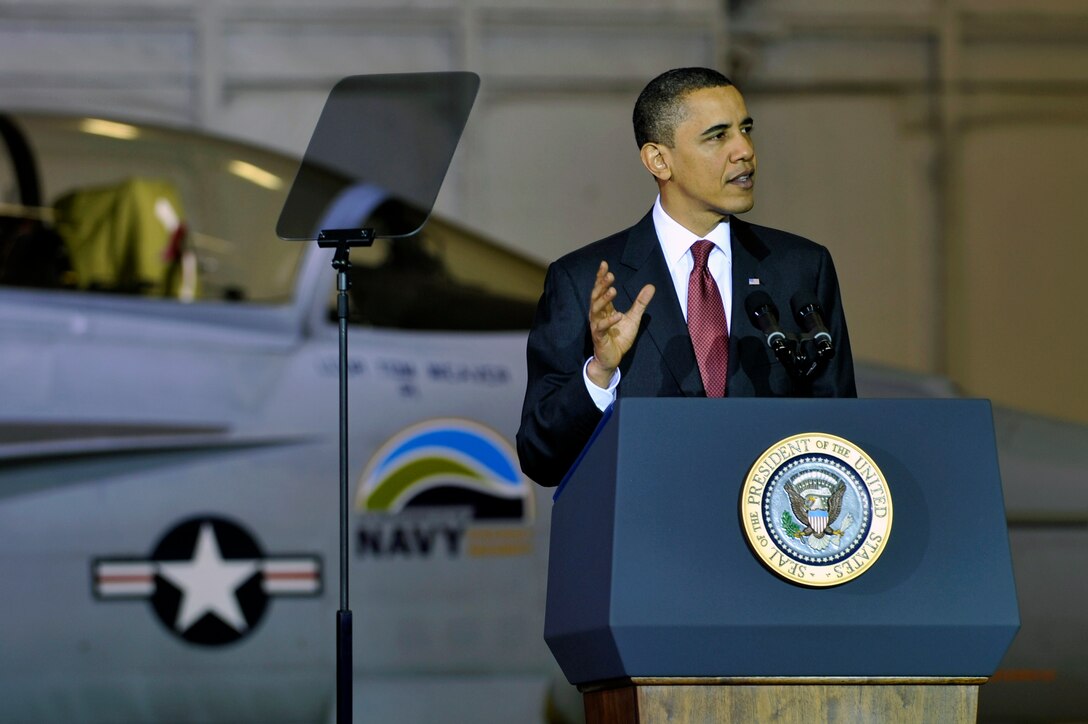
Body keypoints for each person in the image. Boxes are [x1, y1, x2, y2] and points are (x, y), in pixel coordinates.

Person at [517, 67, 856, 487]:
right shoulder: (582, 278)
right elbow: (540, 456)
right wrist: (599, 374)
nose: (744, 150)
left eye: (745, 129)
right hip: (647, 539)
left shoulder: (801, 267)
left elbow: (842, 433)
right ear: (659, 160)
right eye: (718, 135)